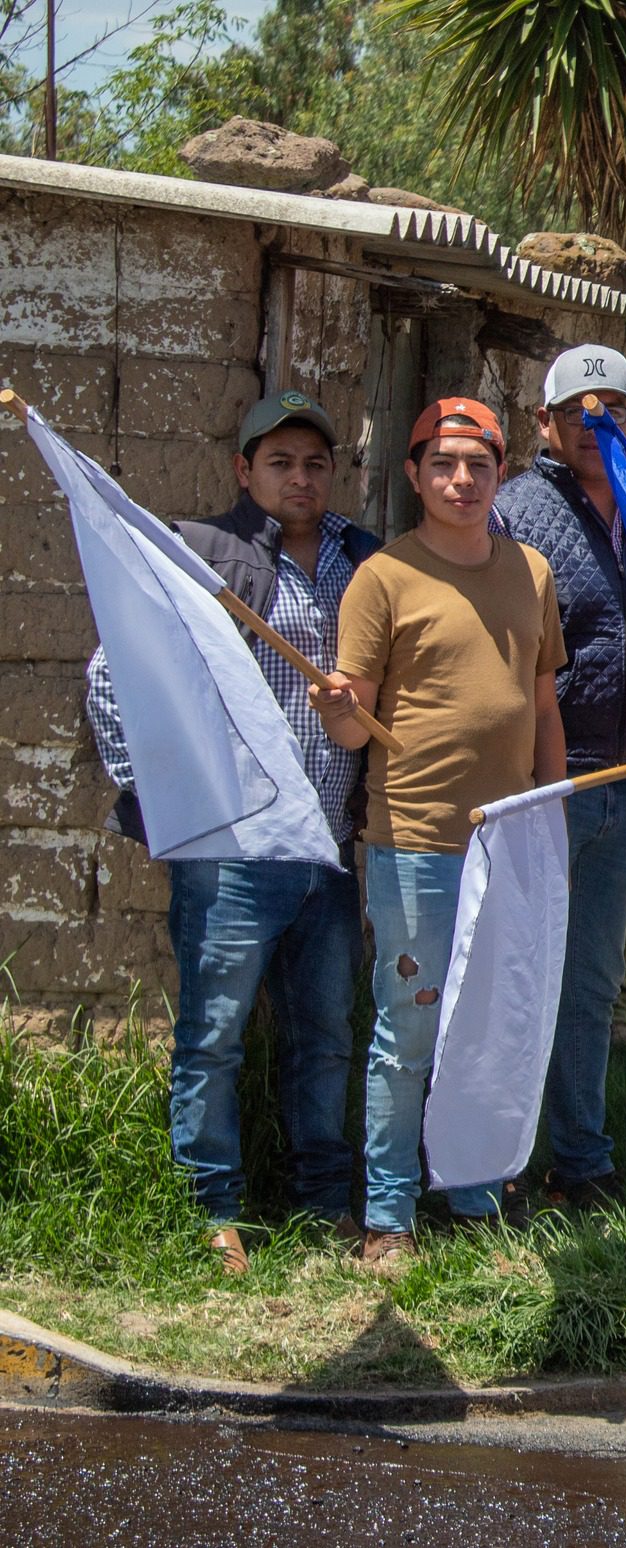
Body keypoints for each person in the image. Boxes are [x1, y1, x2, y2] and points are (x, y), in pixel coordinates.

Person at [84, 391, 380, 1273]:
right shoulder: (202, 556)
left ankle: (322, 1198)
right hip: (236, 852)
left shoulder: (363, 562)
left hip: (326, 850)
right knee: (213, 1034)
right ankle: (211, 1209)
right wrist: (164, 803)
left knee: (326, 1034)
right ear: (244, 471)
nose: (300, 477)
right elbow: (114, 677)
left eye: (316, 462)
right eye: (281, 462)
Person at [319, 399, 568, 1274]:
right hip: (417, 840)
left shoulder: (530, 571)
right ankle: (389, 1214)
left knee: (492, 1023)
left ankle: (473, 1189)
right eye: (444, 465)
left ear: (503, 471)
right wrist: (341, 710)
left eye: (480, 465)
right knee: (410, 1031)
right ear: (414, 474)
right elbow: (352, 729)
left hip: (510, 842)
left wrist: (549, 810)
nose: (462, 481)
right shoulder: (383, 577)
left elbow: (541, 704)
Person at [492, 344, 626, 1210]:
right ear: (546, 422)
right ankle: (496, 1163)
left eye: (612, 408)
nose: (594, 423)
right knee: (518, 971)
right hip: (549, 784)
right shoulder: (516, 512)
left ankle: (581, 1158)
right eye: (578, 410)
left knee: (594, 981)